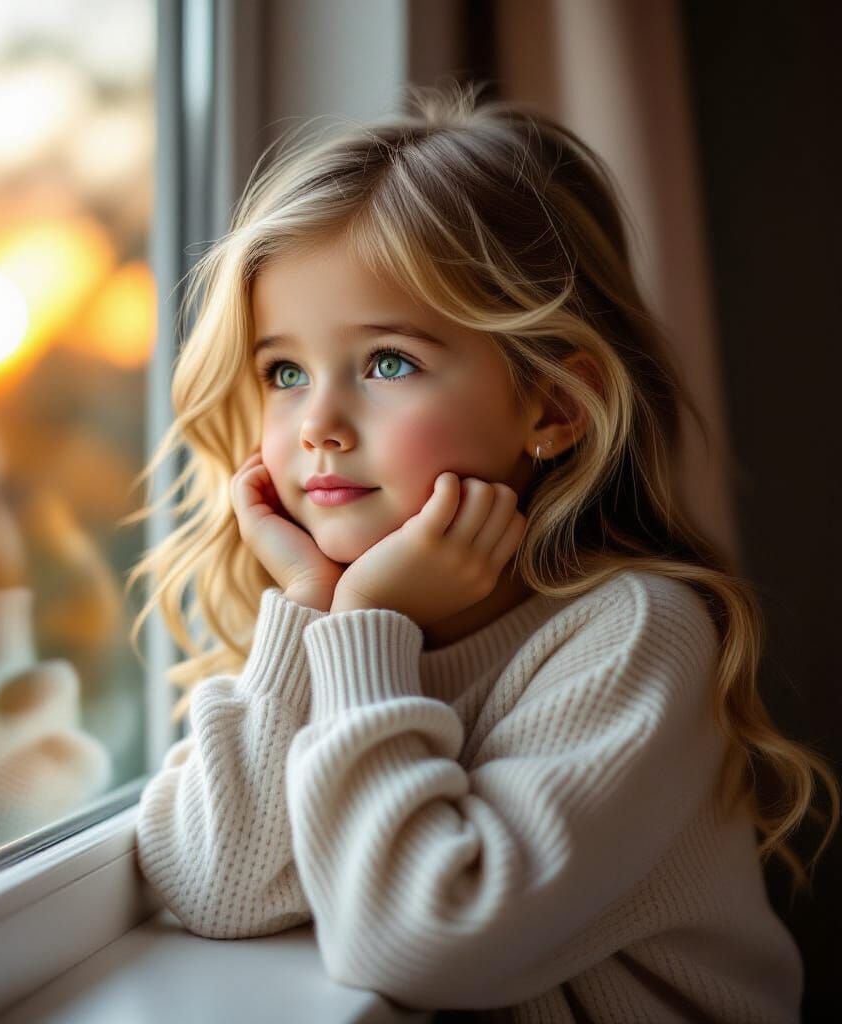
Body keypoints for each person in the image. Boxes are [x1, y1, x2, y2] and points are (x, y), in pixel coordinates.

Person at [127, 81, 838, 1022]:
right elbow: (215, 889)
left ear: (551, 409)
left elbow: (425, 945)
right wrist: (306, 607)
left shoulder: (633, 636)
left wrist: (369, 625)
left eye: (388, 363)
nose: (320, 426)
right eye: (284, 371)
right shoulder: (328, 615)